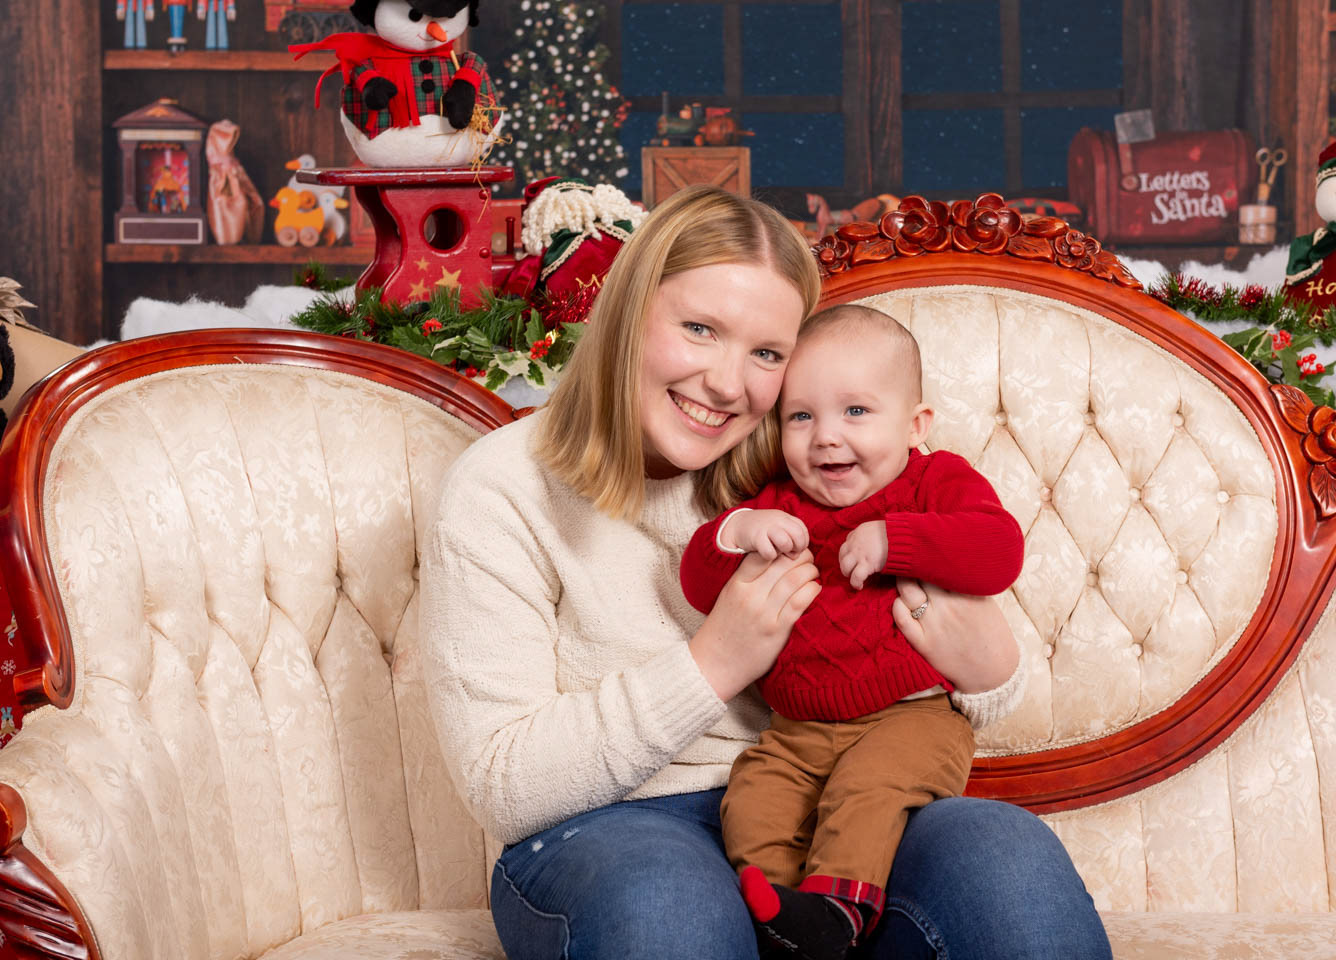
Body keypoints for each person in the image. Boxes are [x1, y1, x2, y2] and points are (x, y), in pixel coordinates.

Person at [421, 184, 1111, 960]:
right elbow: (502, 784)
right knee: (668, 908)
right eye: (699, 329)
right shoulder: (503, 487)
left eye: (767, 355)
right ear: (627, 314)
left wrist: (992, 674)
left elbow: (929, 622)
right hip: (616, 828)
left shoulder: (801, 464)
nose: (727, 383)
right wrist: (713, 664)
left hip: (834, 800)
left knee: (1008, 860)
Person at [680, 305, 1024, 959]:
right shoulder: (781, 503)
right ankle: (783, 919)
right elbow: (699, 585)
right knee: (753, 797)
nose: (826, 438)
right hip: (796, 730)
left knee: (867, 790)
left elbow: (1000, 550)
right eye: (801, 417)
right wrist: (737, 531)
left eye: (856, 412)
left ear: (915, 425)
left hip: (911, 719)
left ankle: (839, 910)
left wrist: (897, 539)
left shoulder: (933, 481)